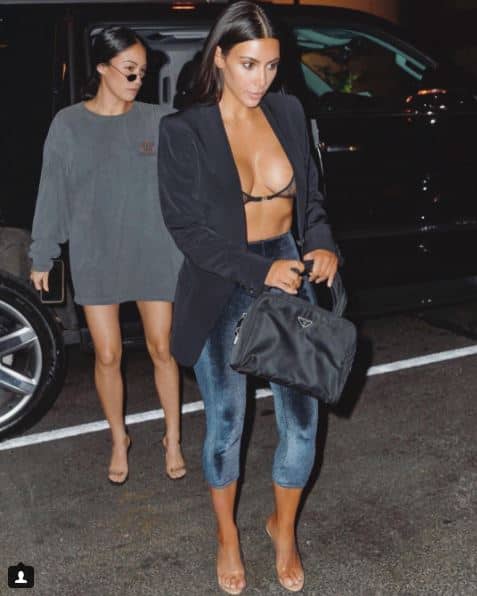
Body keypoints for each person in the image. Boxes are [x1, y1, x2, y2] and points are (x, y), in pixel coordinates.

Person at [158, 2, 339, 593]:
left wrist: (322, 244)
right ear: (219, 58)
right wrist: (260, 271)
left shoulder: (288, 111)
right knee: (226, 424)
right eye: (248, 64)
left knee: (304, 423)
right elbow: (187, 230)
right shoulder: (184, 130)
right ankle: (227, 537)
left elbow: (311, 198)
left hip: (290, 272)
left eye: (271, 65)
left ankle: (282, 529)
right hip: (224, 284)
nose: (261, 79)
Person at [29, 26, 186, 484]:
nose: (138, 80)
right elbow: (52, 192)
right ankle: (119, 438)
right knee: (108, 354)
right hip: (96, 254)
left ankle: (173, 437)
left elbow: (193, 178)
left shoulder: (160, 120)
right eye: (129, 70)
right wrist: (43, 254)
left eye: (143, 72)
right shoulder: (68, 125)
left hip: (153, 251)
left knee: (163, 348)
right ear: (102, 67)